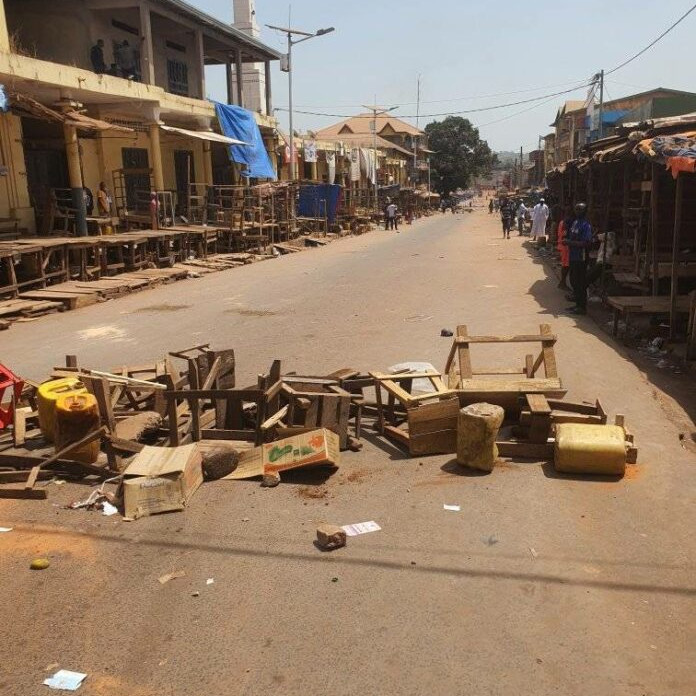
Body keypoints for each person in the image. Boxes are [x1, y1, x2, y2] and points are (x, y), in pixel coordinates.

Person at [563, 202, 593, 315]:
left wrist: (570, 242)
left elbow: (586, 243)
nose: (577, 211)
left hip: (581, 257)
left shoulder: (586, 226)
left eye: (580, 209)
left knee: (580, 282)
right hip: (573, 256)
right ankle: (577, 304)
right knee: (573, 281)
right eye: (576, 209)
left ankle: (582, 307)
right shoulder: (575, 223)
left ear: (584, 211)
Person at [556, 205, 573, 290]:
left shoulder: (563, 221)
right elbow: (564, 235)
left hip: (563, 245)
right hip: (565, 246)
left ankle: (562, 282)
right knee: (566, 265)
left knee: (566, 265)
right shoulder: (566, 222)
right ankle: (562, 283)